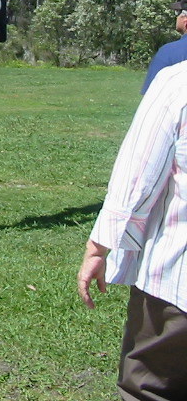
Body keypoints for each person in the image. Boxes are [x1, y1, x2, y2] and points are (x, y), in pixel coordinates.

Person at [78, 59, 187, 399]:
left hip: (176, 282)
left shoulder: (176, 83)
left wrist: (98, 249)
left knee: (150, 386)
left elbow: (137, 180)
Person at [141, 0, 187, 94]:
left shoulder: (168, 52)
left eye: (178, 13)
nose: (176, 17)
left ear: (185, 21)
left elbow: (152, 97)